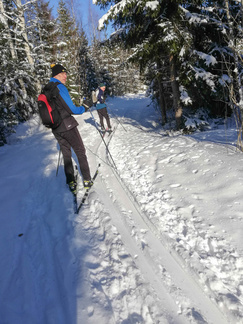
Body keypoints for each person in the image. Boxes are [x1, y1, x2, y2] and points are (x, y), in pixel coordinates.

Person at [48, 63, 93, 194]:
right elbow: (73, 109)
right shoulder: (59, 87)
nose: (65, 76)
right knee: (80, 150)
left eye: (66, 73)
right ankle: (87, 179)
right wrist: (84, 107)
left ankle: (71, 182)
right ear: (56, 75)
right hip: (67, 126)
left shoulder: (46, 88)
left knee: (66, 154)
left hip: (56, 128)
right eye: (63, 73)